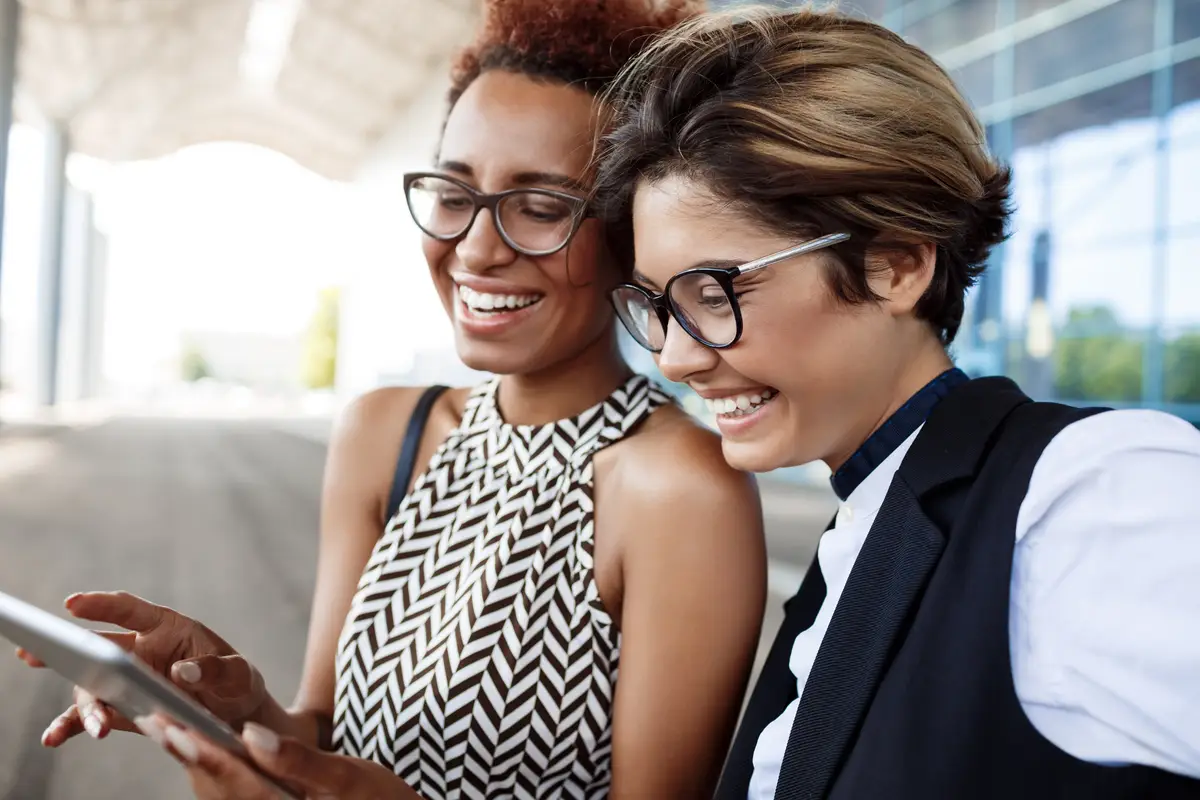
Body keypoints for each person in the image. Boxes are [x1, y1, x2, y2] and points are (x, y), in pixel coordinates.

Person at [19, 1, 769, 797]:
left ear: (630, 228)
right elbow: (324, 737)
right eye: (454, 193)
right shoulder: (387, 433)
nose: (477, 248)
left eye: (542, 207)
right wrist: (238, 709)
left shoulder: (680, 489)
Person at [594, 6, 1200, 799]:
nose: (675, 358)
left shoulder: (1089, 495)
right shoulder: (867, 521)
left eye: (713, 294)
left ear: (897, 265)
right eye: (658, 306)